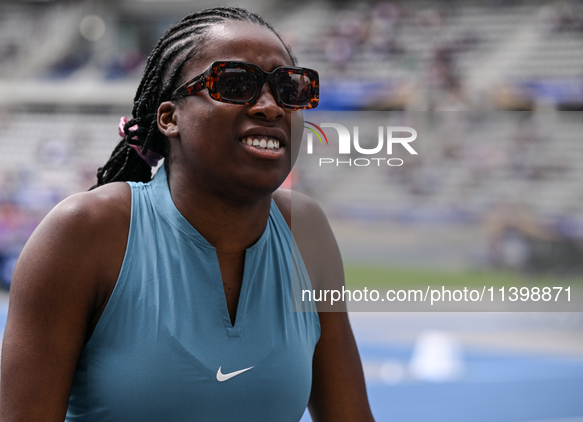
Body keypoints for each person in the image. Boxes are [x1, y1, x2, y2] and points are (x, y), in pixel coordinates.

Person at [0, 7, 374, 422]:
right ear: (169, 118)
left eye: (291, 88)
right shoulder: (85, 233)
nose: (271, 107)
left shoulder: (307, 234)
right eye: (236, 83)